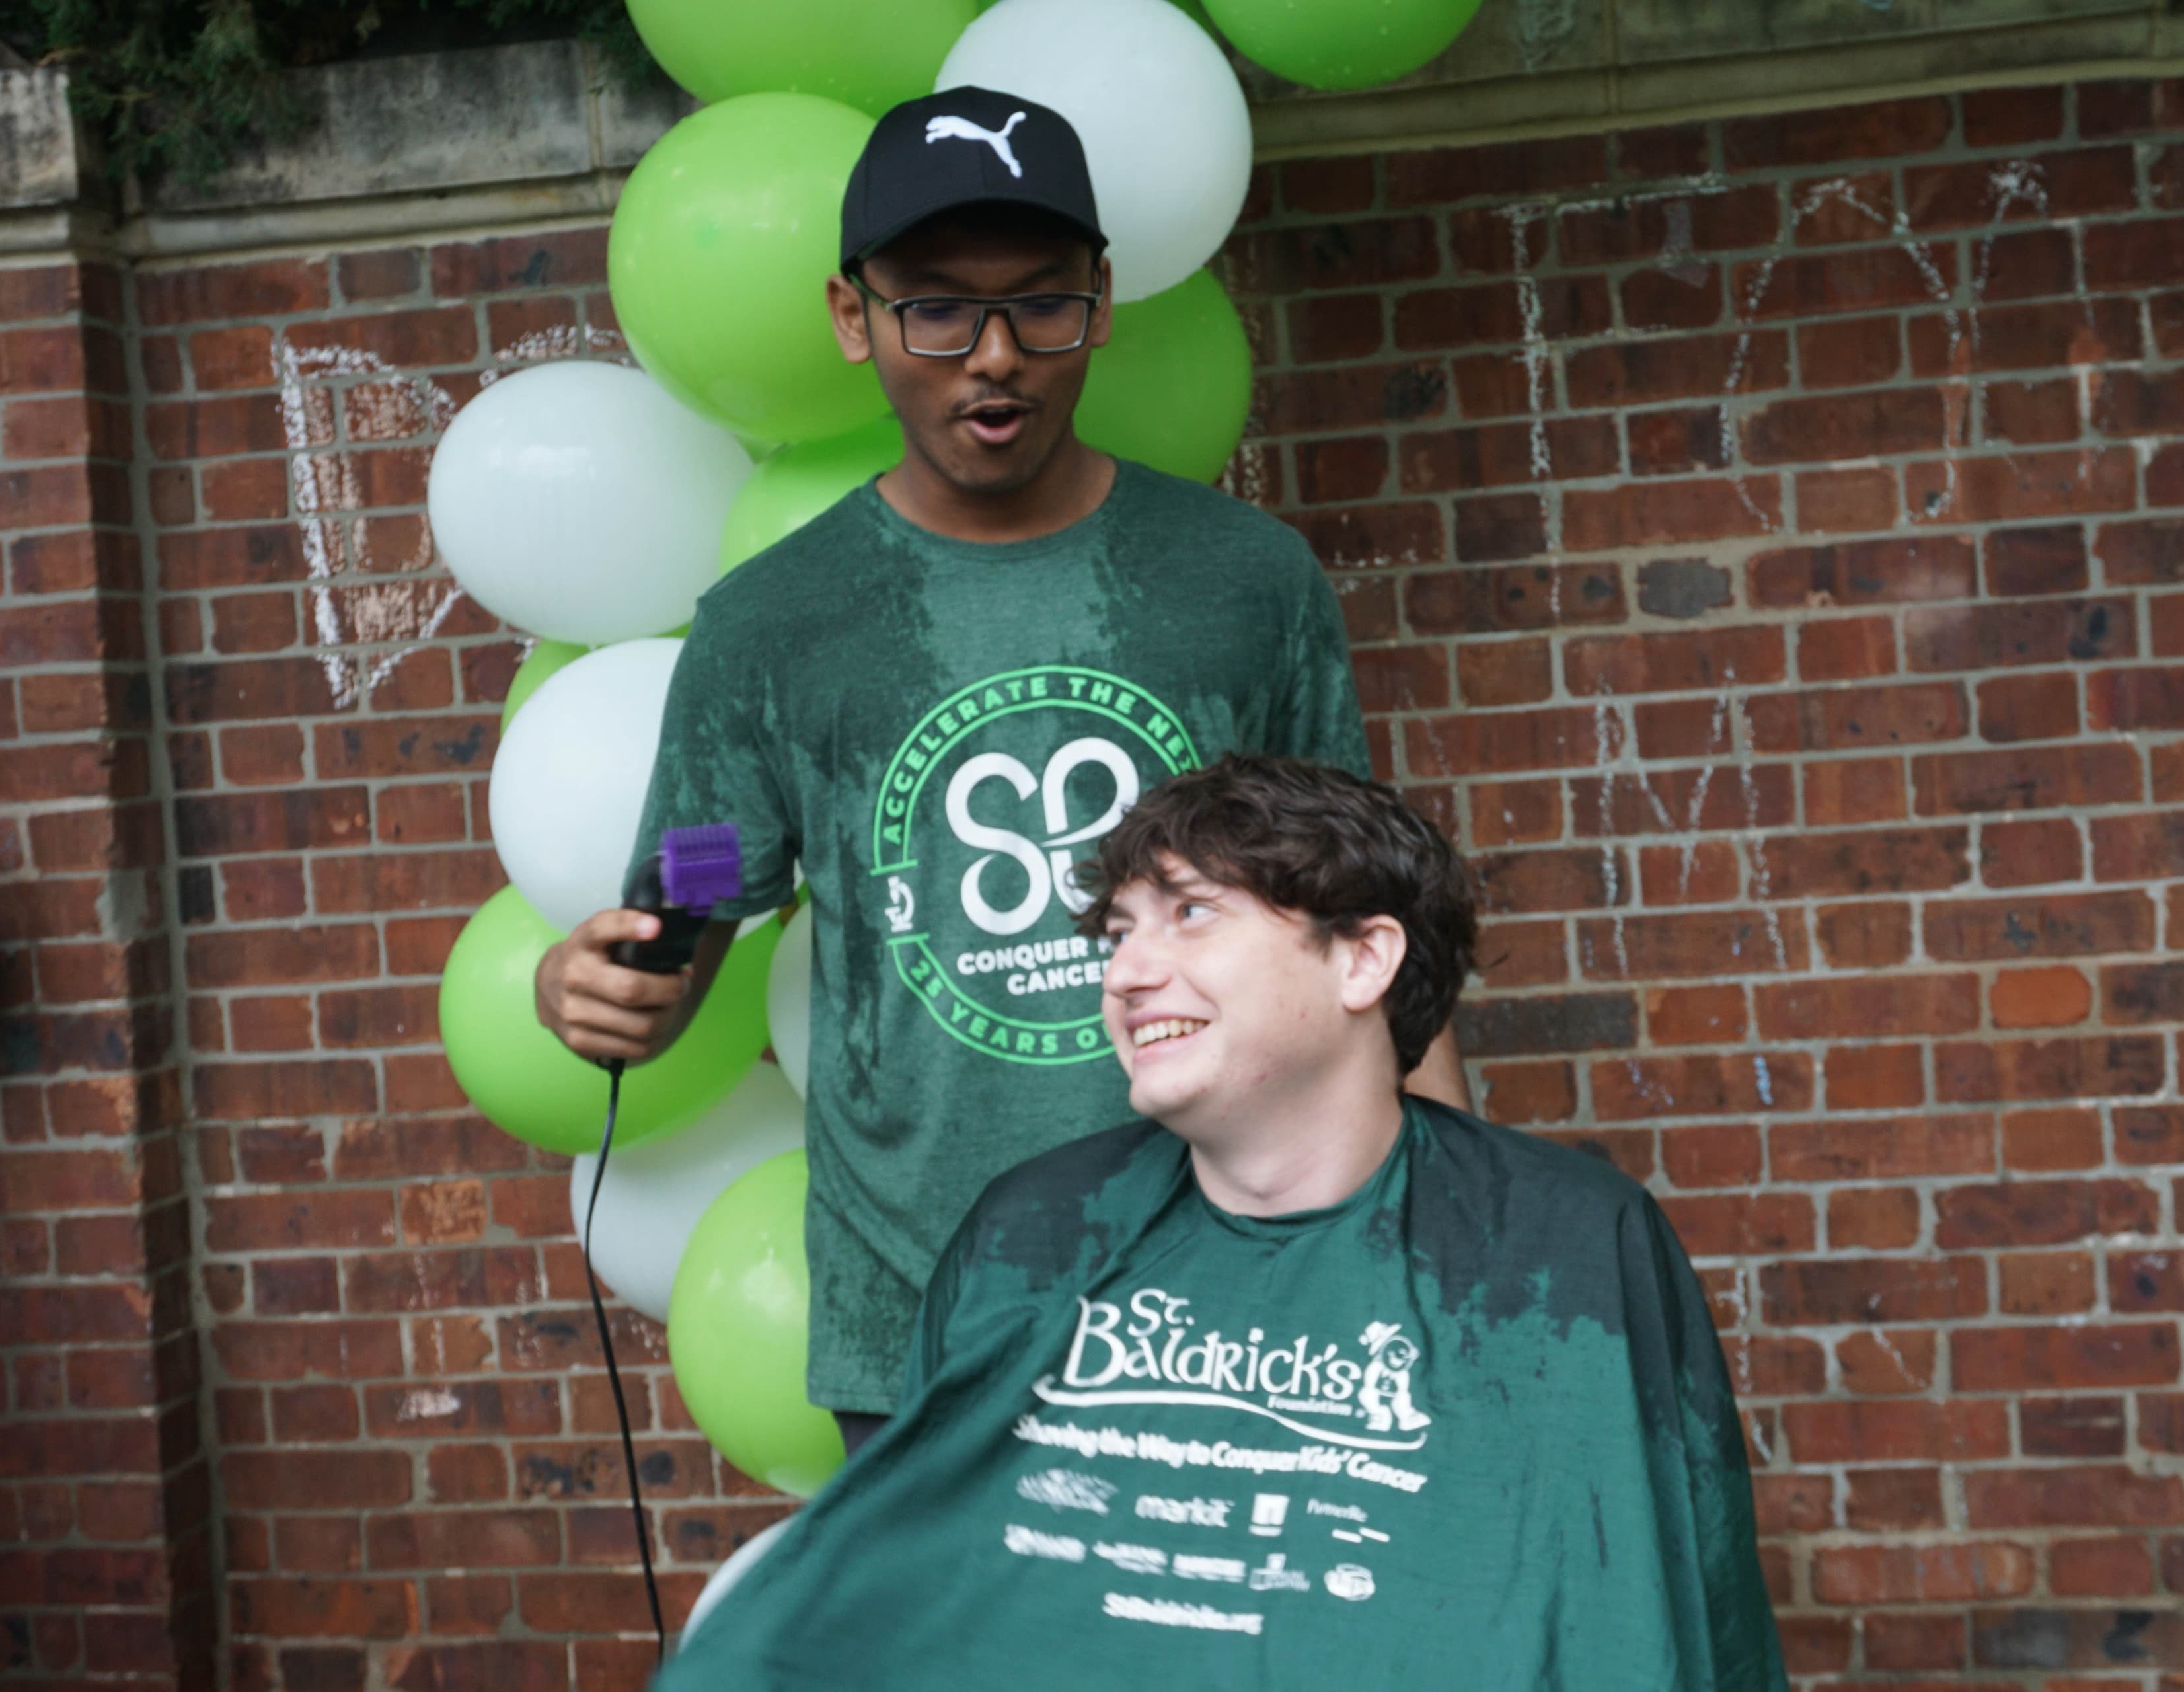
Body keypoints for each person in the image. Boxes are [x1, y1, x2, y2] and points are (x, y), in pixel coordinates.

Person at [535, 86, 1466, 1447]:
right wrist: (611, 979)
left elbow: (1373, 936)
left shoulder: (1244, 582)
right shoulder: (770, 629)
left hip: (1239, 1299)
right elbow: (694, 894)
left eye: (1040, 304)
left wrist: (1450, 1233)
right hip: (926, 1328)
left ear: (1101, 297)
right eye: (935, 308)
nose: (994, 357)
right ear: (853, 317)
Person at [659, 755, 1786, 1689]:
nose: (1128, 972)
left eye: (1192, 915)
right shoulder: (1036, 1235)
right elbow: (909, 1589)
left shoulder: (1566, 1248)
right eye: (1119, 932)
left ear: (1363, 957)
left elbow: (1666, 1613)